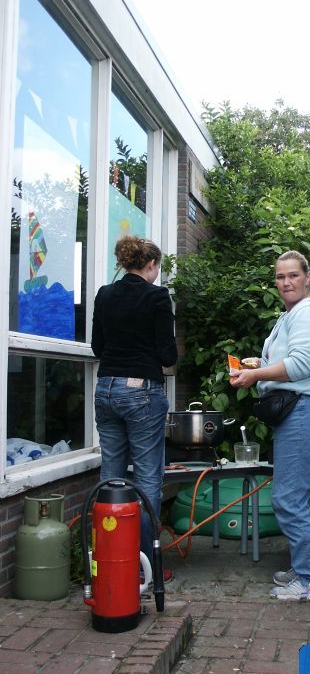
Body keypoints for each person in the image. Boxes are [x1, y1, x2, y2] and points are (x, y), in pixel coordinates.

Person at [230, 250, 310, 601]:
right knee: (303, 497)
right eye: (280, 276)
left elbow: (302, 365)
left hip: (302, 411)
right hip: (303, 410)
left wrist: (256, 375)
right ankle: (308, 568)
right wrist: (257, 364)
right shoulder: (291, 315)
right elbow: (289, 358)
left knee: (288, 498)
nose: (286, 282)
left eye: (293, 275)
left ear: (308, 276)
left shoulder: (306, 312)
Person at [91, 235, 178, 576]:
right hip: (141, 391)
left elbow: (98, 348)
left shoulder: (104, 294)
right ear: (151, 264)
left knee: (111, 476)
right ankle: (144, 568)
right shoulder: (157, 296)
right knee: (147, 480)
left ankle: (110, 564)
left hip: (106, 389)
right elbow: (167, 354)